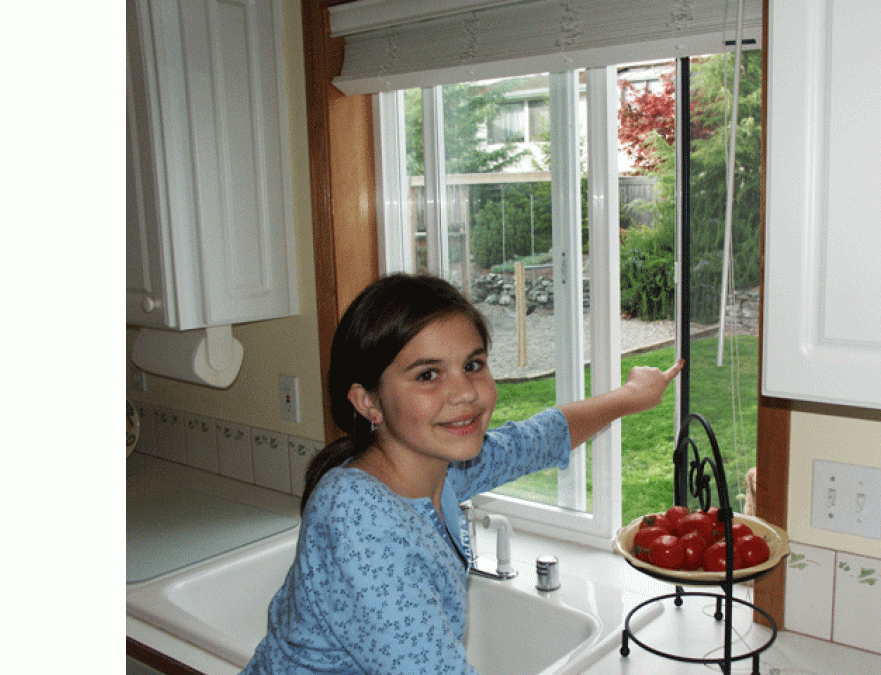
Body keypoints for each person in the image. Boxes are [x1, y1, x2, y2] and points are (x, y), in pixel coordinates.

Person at [242, 273, 682, 674]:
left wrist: (632, 396)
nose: (465, 392)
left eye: (473, 365)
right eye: (428, 374)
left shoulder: (438, 469)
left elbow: (534, 440)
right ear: (368, 401)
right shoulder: (359, 515)